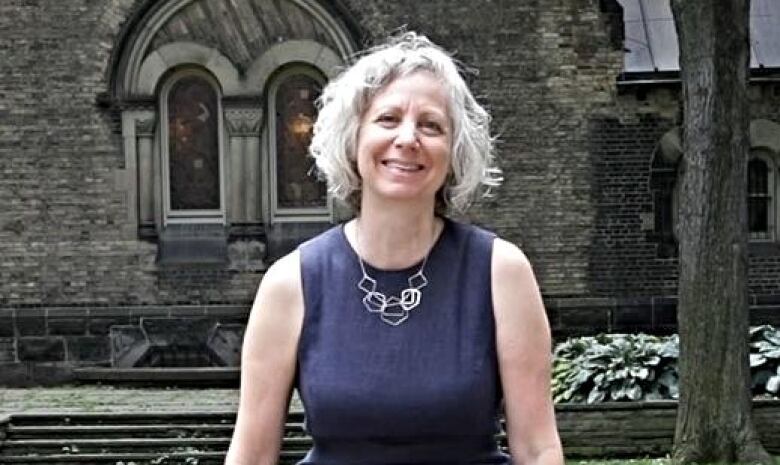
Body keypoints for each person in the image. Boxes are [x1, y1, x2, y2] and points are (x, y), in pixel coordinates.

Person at [225, 32, 563, 465]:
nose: (408, 138)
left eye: (431, 125)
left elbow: (537, 450)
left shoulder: (501, 272)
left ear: (454, 152)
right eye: (387, 119)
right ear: (353, 138)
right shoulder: (291, 283)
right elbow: (252, 454)